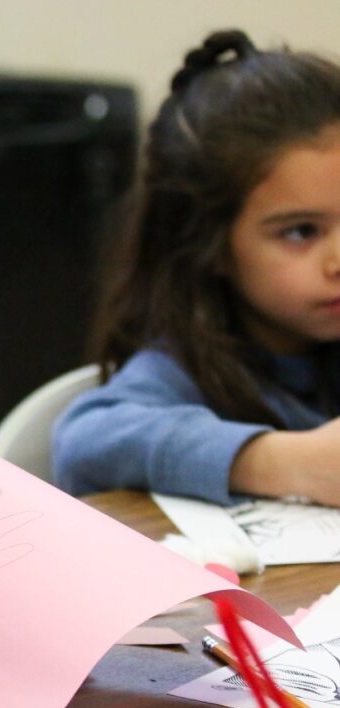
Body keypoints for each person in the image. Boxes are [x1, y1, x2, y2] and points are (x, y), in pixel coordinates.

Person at [52, 29, 340, 506]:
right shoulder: (181, 369)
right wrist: (283, 462)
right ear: (212, 244)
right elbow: (81, 441)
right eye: (301, 231)